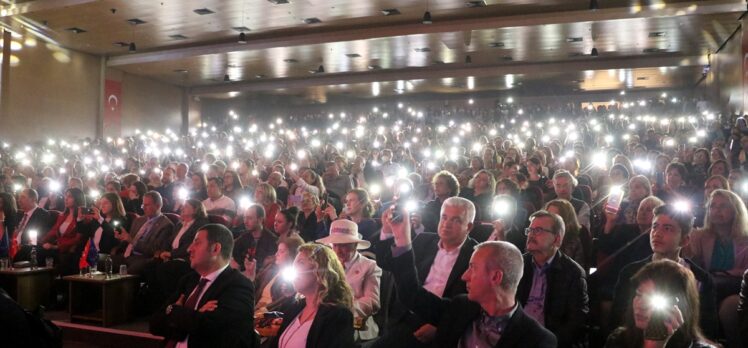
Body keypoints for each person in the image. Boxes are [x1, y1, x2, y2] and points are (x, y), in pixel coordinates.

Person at [380, 202, 557, 347]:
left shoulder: (537, 340)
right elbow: (411, 293)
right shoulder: (460, 308)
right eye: (444, 217)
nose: (465, 276)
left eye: (472, 268)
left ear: (496, 277)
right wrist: (401, 237)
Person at [372, 197, 479, 348]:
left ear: (468, 227)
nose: (447, 224)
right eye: (444, 217)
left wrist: (441, 325)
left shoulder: (476, 255)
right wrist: (388, 232)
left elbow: (472, 303)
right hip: (406, 315)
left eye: (455, 220)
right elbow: (387, 263)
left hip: (439, 324)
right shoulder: (423, 240)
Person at [609, 204, 718, 339]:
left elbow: (707, 327)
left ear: (684, 240)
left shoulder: (700, 278)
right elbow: (618, 318)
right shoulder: (631, 272)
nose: (657, 233)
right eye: (654, 226)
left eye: (667, 228)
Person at [150, 224, 257, 348]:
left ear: (215, 249)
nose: (189, 249)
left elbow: (215, 331)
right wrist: (195, 315)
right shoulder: (189, 281)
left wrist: (174, 311)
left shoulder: (238, 285)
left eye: (197, 243)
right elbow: (154, 324)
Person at [604, 260, 718, 348]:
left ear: (679, 306)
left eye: (652, 298)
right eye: (639, 294)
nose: (641, 305)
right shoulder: (619, 340)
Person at [516, 210, 589, 347]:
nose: (531, 235)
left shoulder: (573, 273)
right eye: (530, 230)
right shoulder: (518, 264)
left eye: (538, 230)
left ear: (557, 239)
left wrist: (548, 342)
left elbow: (576, 323)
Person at [268, 243, 355, 348]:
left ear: (320, 269)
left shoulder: (338, 315)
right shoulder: (295, 307)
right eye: (294, 264)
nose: (294, 268)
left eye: (301, 263)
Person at [317, 219, 382, 342]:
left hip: (355, 327)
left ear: (355, 245)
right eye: (335, 245)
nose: (337, 250)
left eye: (343, 245)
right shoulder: (325, 265)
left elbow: (372, 301)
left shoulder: (369, 266)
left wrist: (343, 311)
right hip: (323, 322)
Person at [686, 189, 748, 300]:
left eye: (723, 206)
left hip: (736, 290)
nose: (716, 210)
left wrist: (724, 274)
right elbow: (692, 266)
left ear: (736, 211)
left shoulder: (745, 240)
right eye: (712, 206)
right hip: (706, 290)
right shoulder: (698, 236)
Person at [115, 191, 175, 275]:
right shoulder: (138, 220)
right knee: (104, 263)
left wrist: (132, 241)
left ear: (157, 206)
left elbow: (154, 250)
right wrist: (122, 238)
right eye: (143, 205)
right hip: (127, 255)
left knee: (129, 271)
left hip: (144, 258)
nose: (143, 208)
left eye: (147, 205)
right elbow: (129, 241)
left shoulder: (166, 225)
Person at [242, 235, 303, 316]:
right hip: (253, 308)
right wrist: (250, 273)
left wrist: (264, 309)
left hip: (266, 317)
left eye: (281, 251)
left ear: (292, 255)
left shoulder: (295, 278)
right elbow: (252, 288)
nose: (276, 254)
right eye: (277, 250)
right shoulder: (271, 269)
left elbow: (284, 301)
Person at [39, 188, 86, 275]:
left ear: (77, 199)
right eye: (65, 196)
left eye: (70, 197)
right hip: (56, 247)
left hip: (67, 250)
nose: (66, 198)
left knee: (41, 254)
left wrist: (56, 246)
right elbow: (53, 231)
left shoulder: (82, 217)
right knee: (32, 250)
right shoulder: (62, 215)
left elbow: (78, 239)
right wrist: (41, 242)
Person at [544, 199, 591, 270]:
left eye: (555, 216)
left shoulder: (574, 241)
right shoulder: (540, 234)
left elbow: (576, 270)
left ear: (565, 219)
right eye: (548, 215)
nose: (549, 219)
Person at [10, 188, 51, 262]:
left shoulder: (42, 215)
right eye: (19, 197)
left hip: (27, 252)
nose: (19, 200)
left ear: (33, 199)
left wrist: (22, 246)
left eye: (23, 197)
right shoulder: (19, 215)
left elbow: (39, 238)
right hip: (12, 248)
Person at [234, 204, 278, 270]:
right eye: (244, 218)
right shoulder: (242, 237)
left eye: (249, 218)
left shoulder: (272, 240)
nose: (245, 221)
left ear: (260, 220)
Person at [0, 192, 18, 258]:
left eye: (0, 202)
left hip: (5, 248)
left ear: (6, 204)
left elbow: (4, 241)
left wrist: (1, 221)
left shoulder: (11, 216)